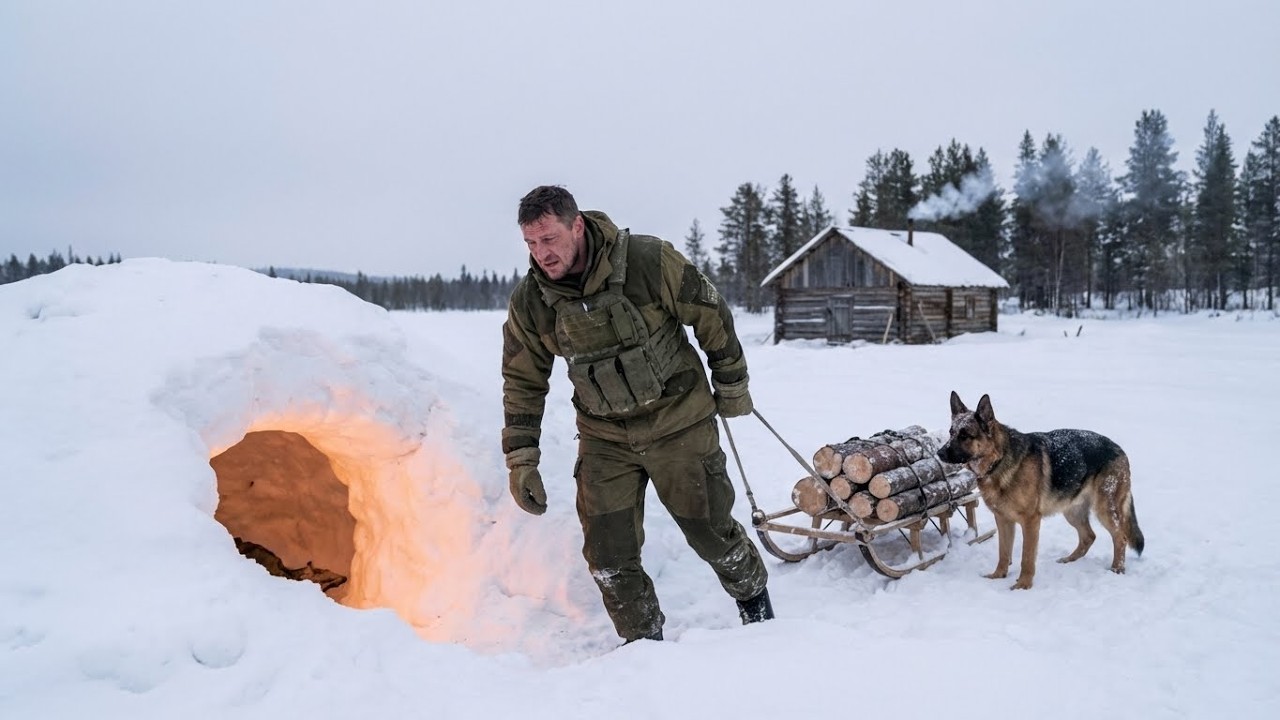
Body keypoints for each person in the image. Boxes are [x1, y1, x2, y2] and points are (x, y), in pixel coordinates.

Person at [500, 185, 773, 643]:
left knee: (712, 533)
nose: (540, 253)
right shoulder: (531, 303)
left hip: (679, 423)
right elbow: (522, 383)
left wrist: (732, 383)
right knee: (609, 557)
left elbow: (710, 314)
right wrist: (521, 459)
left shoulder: (648, 260)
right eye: (530, 243)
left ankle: (757, 610)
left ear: (577, 225)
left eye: (549, 239)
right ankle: (644, 649)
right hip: (605, 439)